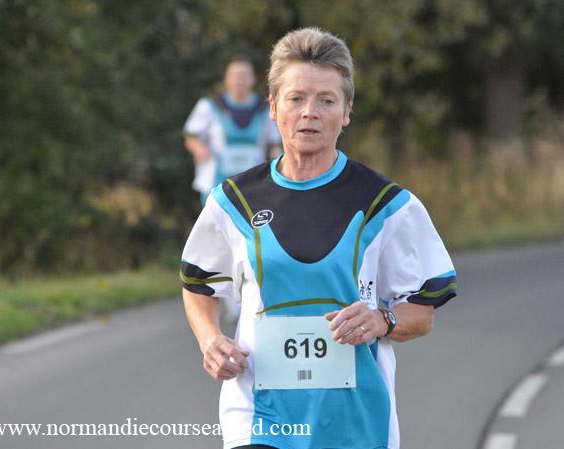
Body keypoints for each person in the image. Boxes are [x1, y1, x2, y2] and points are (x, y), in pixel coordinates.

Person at [181, 28, 457, 449]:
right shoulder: (233, 201)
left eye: (326, 100)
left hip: (355, 420)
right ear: (273, 108)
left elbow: (422, 313)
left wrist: (382, 320)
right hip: (259, 416)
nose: (309, 112)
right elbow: (199, 282)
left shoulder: (387, 205)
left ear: (346, 112)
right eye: (296, 98)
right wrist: (210, 339)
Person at [183, 56, 282, 324]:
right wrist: (199, 149)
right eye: (235, 75)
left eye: (244, 75)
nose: (239, 81)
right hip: (218, 185)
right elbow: (191, 135)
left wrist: (278, 163)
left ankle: (255, 296)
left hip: (255, 187)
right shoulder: (209, 106)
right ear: (227, 79)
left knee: (255, 240)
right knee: (223, 241)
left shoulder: (265, 109)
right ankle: (230, 301)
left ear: (253, 79)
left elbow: (275, 142)